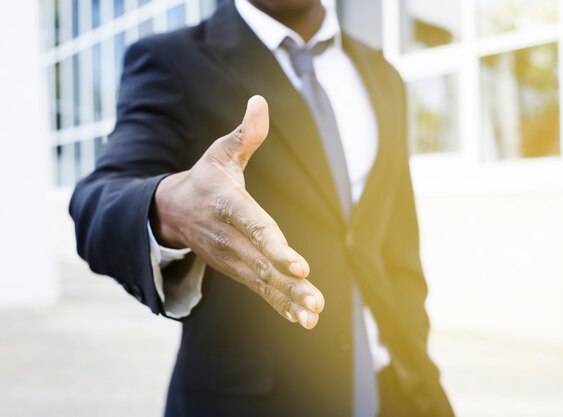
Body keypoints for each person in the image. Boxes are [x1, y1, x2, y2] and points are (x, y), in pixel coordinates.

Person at [69, 0, 455, 415]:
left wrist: (417, 356)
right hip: (257, 401)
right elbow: (100, 198)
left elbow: (398, 242)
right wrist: (172, 208)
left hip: (398, 390)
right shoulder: (171, 61)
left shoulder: (382, 75)